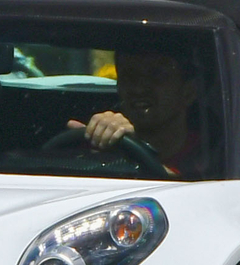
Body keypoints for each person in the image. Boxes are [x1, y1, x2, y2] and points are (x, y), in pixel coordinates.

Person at [72, 51, 205, 177]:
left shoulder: (213, 153)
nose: (138, 88)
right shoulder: (94, 146)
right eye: (129, 75)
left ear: (189, 92)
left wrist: (133, 155)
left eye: (156, 75)